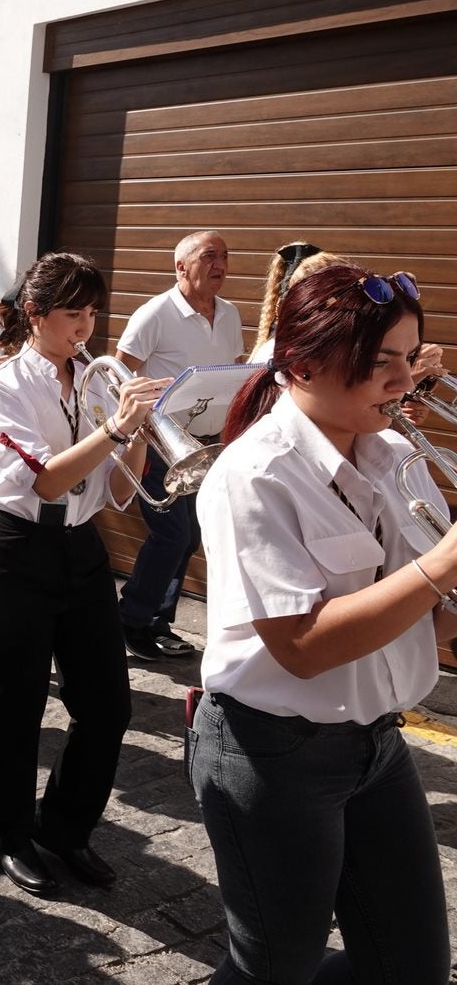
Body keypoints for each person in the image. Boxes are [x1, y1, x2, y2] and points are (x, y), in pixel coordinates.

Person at [192, 263, 453, 983]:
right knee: (276, 965)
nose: (403, 382)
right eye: (380, 365)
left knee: (414, 965)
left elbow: (430, 621)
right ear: (303, 366)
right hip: (274, 754)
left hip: (377, 744)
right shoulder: (255, 474)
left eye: (409, 357)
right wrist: (450, 561)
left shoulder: (396, 453)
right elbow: (303, 646)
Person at [0, 252, 167, 897]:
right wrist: (115, 425)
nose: (85, 329)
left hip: (80, 550)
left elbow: (115, 491)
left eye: (91, 314)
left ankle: (65, 827)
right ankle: (7, 834)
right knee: (17, 706)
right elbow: (48, 479)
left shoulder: (95, 378)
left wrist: (137, 432)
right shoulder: (1, 388)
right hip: (15, 550)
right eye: (71, 315)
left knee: (108, 706)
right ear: (34, 315)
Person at [111, 231, 245, 661]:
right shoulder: (155, 314)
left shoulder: (228, 314)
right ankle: (130, 620)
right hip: (158, 444)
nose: (220, 264)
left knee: (191, 537)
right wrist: (138, 423)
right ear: (180, 267)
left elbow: (234, 371)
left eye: (224, 256)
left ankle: (157, 620)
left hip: (205, 444)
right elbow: (118, 375)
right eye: (209, 256)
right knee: (173, 535)